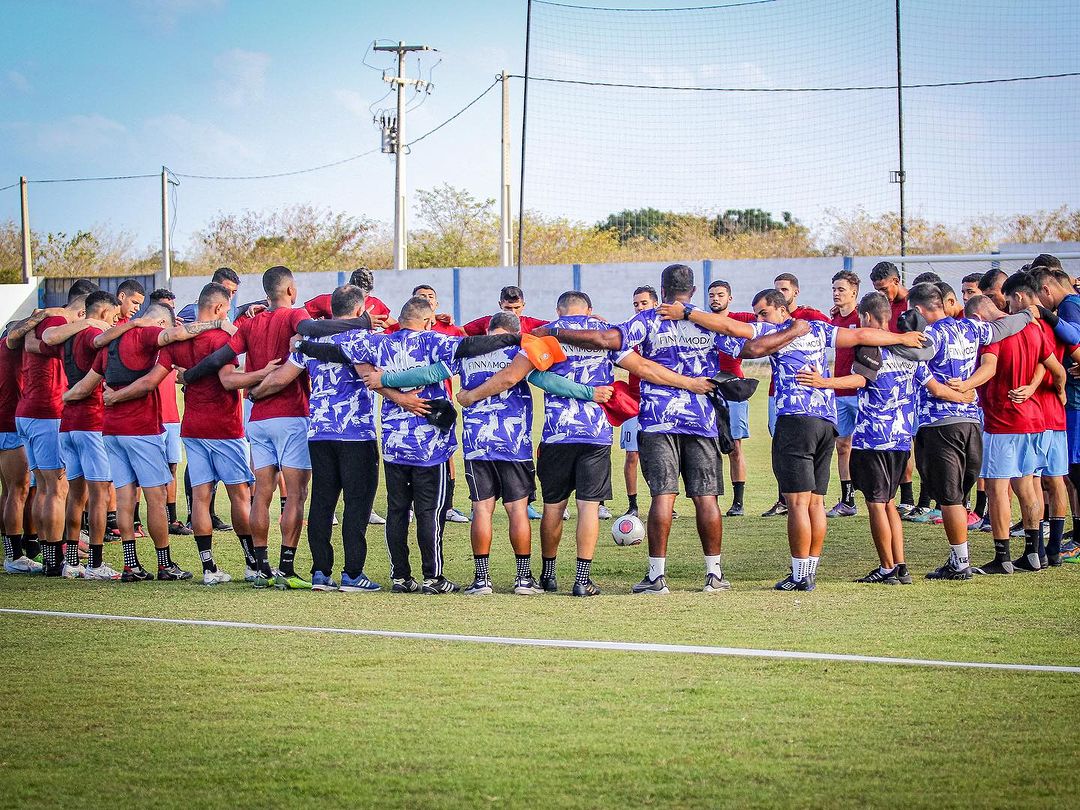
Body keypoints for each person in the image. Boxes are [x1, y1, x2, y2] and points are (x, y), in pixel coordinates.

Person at [662, 288, 926, 591]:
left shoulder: (774, 330)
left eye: (764, 312)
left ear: (781, 309)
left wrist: (687, 312)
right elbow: (861, 336)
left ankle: (800, 575)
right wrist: (901, 338)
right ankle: (808, 571)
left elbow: (731, 327)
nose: (761, 318)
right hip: (826, 422)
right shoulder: (818, 329)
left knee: (797, 502)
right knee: (816, 501)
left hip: (796, 421)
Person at [525, 287, 737, 595]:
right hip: (596, 433)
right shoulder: (605, 331)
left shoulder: (546, 335)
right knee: (588, 509)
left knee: (553, 508)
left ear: (559, 312)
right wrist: (690, 383)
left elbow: (534, 376)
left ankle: (548, 574)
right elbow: (641, 367)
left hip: (557, 433)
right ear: (589, 310)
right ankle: (583, 580)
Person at [799, 293, 965, 584]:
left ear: (865, 318)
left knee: (877, 505)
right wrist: (965, 395)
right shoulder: (910, 349)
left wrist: (825, 383)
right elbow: (935, 387)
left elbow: (860, 380)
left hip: (874, 439)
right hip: (901, 439)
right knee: (889, 503)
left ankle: (887, 567)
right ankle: (899, 566)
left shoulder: (871, 347)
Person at [64, 303, 223, 581]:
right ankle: (164, 564)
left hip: (111, 430)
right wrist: (215, 324)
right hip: (141, 430)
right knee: (156, 498)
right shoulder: (147, 333)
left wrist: (64, 399)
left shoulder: (109, 344)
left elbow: (87, 384)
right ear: (160, 322)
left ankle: (131, 565)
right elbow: (176, 336)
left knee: (125, 498)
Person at [252, 284, 385, 592]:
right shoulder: (366, 338)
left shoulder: (310, 339)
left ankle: (320, 572)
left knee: (322, 503)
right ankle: (353, 573)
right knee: (356, 504)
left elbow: (282, 377)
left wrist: (257, 391)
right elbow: (374, 377)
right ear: (358, 311)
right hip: (356, 434)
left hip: (319, 432)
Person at [905, 282, 1037, 580]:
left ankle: (959, 562)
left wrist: (954, 393)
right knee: (960, 494)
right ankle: (961, 558)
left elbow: (914, 361)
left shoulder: (930, 336)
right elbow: (1003, 327)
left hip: (940, 424)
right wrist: (1029, 315)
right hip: (971, 424)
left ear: (918, 309)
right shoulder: (970, 329)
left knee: (950, 498)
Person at [149, 283, 276, 585]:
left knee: (201, 498)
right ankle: (252, 564)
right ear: (220, 309)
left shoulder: (179, 339)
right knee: (239, 495)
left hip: (192, 426)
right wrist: (263, 373)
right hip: (224, 427)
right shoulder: (222, 338)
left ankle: (209, 569)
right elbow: (229, 381)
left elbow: (160, 374)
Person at [957, 288, 1063, 574]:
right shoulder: (1032, 328)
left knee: (997, 488)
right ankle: (1033, 553)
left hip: (1003, 421)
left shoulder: (994, 333)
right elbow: (1054, 367)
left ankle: (1002, 557)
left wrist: (964, 386)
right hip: (1033, 421)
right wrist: (1053, 392)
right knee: (1027, 486)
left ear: (978, 316)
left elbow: (989, 369)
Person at [43, 291, 122, 579]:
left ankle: (72, 562)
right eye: (113, 317)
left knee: (75, 495)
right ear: (102, 313)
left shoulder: (67, 335)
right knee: (99, 495)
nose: (115, 322)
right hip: (91, 421)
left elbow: (48, 337)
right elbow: (100, 349)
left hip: (68, 424)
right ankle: (95, 564)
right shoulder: (91, 335)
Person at [13, 293, 88, 576]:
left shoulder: (44, 319)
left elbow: (32, 342)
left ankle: (48, 554)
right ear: (81, 313)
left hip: (28, 412)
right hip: (46, 413)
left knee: (44, 489)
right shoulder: (57, 323)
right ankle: (56, 560)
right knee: (55, 489)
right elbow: (49, 339)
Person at [395, 284, 472, 524]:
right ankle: (407, 506)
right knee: (405, 450)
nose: (426, 299)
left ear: (436, 304)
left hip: (440, 401)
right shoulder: (400, 331)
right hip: (404, 402)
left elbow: (465, 348)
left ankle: (446, 506)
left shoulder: (447, 329)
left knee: (446, 453)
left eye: (431, 296)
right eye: (421, 296)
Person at [761, 273, 829, 518]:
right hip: (782, 397)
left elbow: (848, 335)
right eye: (777, 288)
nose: (781, 292)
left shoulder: (813, 319)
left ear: (795, 292)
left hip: (804, 408)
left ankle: (792, 499)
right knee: (780, 450)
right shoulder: (769, 325)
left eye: (785, 289)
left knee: (805, 503)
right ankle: (782, 498)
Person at [706, 280, 757, 517]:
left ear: (730, 298)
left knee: (735, 446)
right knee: (708, 445)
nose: (715, 298)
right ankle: (709, 499)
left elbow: (769, 316)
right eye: (712, 295)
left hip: (734, 387)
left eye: (720, 294)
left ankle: (738, 502)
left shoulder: (741, 318)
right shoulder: (702, 320)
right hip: (708, 388)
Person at [147, 288, 191, 537]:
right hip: (149, 417)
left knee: (172, 466)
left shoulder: (174, 341)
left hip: (172, 415)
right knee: (146, 472)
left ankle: (172, 518)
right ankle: (135, 520)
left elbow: (176, 372)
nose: (172, 313)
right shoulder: (142, 338)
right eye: (166, 307)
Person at [619, 285, 660, 518]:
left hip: (657, 401)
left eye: (644, 303)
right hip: (633, 402)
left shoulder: (663, 330)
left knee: (659, 454)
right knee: (631, 455)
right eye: (636, 304)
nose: (640, 307)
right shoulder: (632, 331)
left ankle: (663, 501)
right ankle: (633, 504)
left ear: (655, 303)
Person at [827, 270, 862, 518]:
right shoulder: (835, 320)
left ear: (854, 292)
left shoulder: (864, 317)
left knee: (871, 445)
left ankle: (899, 498)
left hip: (861, 390)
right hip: (840, 391)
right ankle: (848, 501)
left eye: (841, 289)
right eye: (834, 289)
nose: (836, 293)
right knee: (842, 445)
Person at [303, 267, 391, 325]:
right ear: (348, 286)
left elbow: (395, 326)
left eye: (363, 296)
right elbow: (296, 315)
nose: (358, 300)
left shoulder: (375, 305)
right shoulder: (327, 301)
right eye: (355, 295)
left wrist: (380, 337)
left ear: (369, 292)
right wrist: (315, 327)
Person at [462, 285, 550, 336]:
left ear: (523, 306)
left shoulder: (531, 324)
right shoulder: (488, 321)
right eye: (508, 308)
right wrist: (448, 324)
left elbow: (558, 325)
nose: (512, 312)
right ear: (500, 305)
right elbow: (461, 331)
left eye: (517, 308)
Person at [176, 267, 241, 323]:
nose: (230, 296)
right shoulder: (192, 310)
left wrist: (251, 307)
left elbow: (243, 308)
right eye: (226, 291)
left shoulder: (232, 311)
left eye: (233, 292)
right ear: (214, 286)